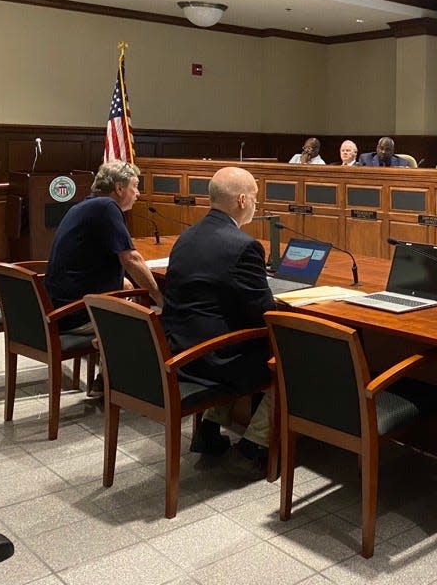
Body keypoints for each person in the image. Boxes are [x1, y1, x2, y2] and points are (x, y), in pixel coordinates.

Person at [160, 166, 276, 462]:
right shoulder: (244, 246)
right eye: (254, 197)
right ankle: (257, 441)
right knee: (289, 356)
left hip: (179, 350)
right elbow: (266, 315)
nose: (256, 204)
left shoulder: (186, 237)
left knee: (235, 339)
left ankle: (210, 429)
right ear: (241, 201)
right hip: (213, 361)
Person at [46, 160, 163, 334]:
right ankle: (116, 349)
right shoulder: (106, 207)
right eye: (135, 186)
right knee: (154, 322)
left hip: (61, 307)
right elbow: (131, 259)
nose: (138, 193)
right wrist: (159, 298)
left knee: (129, 289)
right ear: (119, 188)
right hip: (77, 314)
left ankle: (108, 351)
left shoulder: (87, 205)